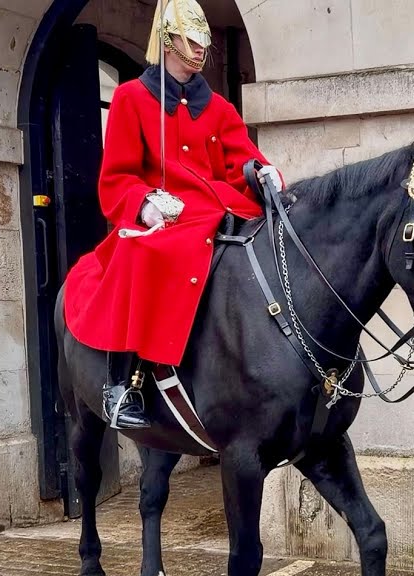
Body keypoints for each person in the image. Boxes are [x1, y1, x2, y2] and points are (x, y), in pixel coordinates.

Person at [62, 0, 284, 429]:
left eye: (203, 41)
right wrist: (143, 203)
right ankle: (120, 382)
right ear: (168, 41)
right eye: (190, 40)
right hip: (163, 214)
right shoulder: (130, 97)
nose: (200, 49)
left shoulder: (218, 107)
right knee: (141, 254)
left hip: (215, 207)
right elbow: (117, 176)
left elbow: (241, 159)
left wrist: (262, 172)